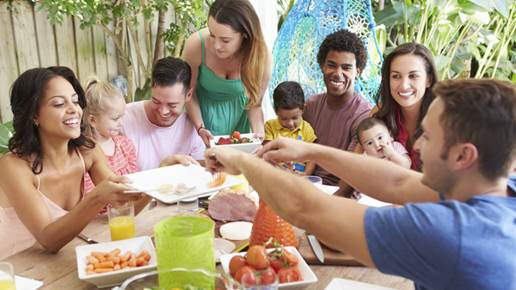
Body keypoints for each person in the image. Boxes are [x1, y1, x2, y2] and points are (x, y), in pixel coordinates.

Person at [205, 79, 516, 289]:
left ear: (464, 155)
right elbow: (397, 182)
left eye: (429, 137)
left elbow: (307, 209)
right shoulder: (497, 186)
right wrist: (313, 150)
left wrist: (244, 162)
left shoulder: (456, 234)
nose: (417, 146)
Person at [0, 67, 149, 259]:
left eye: (76, 101)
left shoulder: (87, 152)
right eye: (59, 104)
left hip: (58, 260)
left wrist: (160, 180)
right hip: (14, 266)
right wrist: (97, 198)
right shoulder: (12, 166)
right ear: (34, 115)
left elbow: (123, 207)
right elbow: (48, 240)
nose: (74, 110)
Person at [182, 0, 271, 146]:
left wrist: (259, 135)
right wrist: (200, 128)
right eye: (212, 34)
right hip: (197, 123)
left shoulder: (261, 56)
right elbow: (188, 94)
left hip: (238, 126)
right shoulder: (196, 45)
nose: (216, 45)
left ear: (245, 35)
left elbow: (254, 104)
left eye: (225, 40)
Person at [302, 29, 372, 190]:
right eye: (331, 65)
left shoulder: (363, 115)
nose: (337, 73)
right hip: (304, 184)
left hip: (338, 192)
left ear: (358, 72)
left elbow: (351, 172)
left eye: (346, 68)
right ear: (322, 66)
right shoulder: (311, 105)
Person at [122, 57, 205, 171]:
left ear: (189, 95)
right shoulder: (124, 118)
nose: (163, 111)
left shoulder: (192, 126)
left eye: (172, 105)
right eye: (156, 101)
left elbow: (200, 175)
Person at [373, 43, 438, 170]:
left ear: (428, 79)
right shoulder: (380, 113)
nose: (404, 85)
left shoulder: (445, 118)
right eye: (396, 76)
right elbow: (357, 161)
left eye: (413, 76)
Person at [264, 81, 317, 174]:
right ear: (276, 111)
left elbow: (312, 158)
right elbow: (268, 154)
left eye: (294, 118)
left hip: (300, 177)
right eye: (284, 118)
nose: (290, 123)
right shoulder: (270, 127)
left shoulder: (306, 129)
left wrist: (305, 174)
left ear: (303, 109)